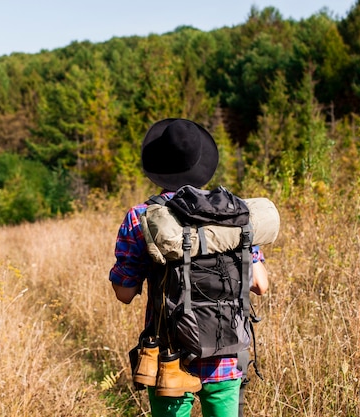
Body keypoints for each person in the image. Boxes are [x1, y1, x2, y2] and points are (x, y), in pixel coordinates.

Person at [109, 118, 269, 417]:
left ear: (157, 168)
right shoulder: (230, 214)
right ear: (202, 164)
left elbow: (124, 293)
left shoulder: (141, 216)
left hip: (170, 358)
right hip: (226, 353)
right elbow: (260, 284)